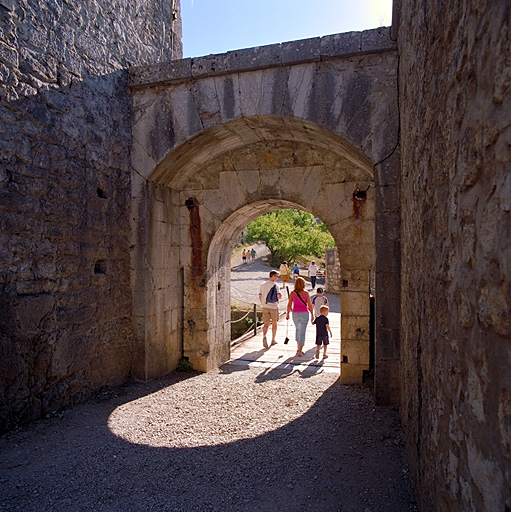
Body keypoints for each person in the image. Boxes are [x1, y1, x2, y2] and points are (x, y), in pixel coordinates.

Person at [286, 276, 314, 357]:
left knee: (297, 330)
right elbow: (309, 305)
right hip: (304, 313)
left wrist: (288, 314)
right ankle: (300, 351)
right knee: (302, 332)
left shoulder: (292, 293)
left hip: (295, 313)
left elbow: (289, 305)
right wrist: (312, 315)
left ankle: (298, 348)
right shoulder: (306, 293)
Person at [259, 270, 282, 348]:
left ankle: (264, 336)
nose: (277, 278)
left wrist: (263, 303)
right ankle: (273, 339)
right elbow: (279, 296)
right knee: (274, 323)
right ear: (273, 276)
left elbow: (260, 295)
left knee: (266, 323)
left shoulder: (263, 285)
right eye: (276, 276)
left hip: (265, 306)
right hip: (274, 307)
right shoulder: (276, 286)